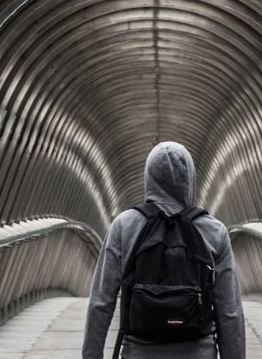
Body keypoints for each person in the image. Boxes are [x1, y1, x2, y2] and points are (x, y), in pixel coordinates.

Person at [82, 142, 246, 358]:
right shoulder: (213, 231)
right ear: (190, 179)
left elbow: (100, 303)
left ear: (148, 177)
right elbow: (230, 313)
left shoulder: (125, 226)